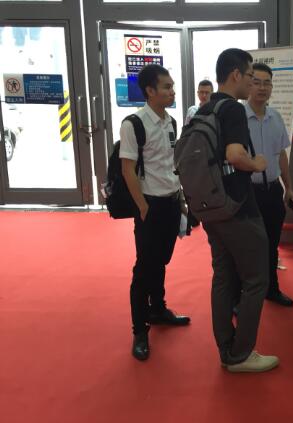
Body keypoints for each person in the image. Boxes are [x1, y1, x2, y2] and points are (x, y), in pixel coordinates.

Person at [198, 48, 278, 373]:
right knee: (256, 278)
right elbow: (234, 155)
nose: (251, 82)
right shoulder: (232, 108)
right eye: (249, 76)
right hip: (237, 206)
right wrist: (257, 163)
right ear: (235, 75)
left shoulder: (205, 108)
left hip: (211, 206)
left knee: (223, 277)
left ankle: (226, 350)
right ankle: (241, 353)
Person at [119, 64, 190, 361]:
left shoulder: (170, 121)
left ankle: (158, 309)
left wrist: (181, 198)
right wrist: (143, 206)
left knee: (161, 260)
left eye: (172, 86)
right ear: (150, 90)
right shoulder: (133, 124)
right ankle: (140, 330)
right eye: (166, 87)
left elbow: (172, 164)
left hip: (171, 201)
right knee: (144, 268)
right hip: (150, 205)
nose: (172, 91)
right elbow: (128, 168)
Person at [245, 62, 293, 307]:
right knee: (246, 247)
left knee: (272, 243)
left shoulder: (276, 117)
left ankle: (271, 289)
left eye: (267, 83)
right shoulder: (237, 118)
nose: (262, 88)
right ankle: (242, 295)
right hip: (247, 191)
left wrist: (289, 187)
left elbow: (281, 154)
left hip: (273, 190)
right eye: (256, 82)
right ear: (248, 84)